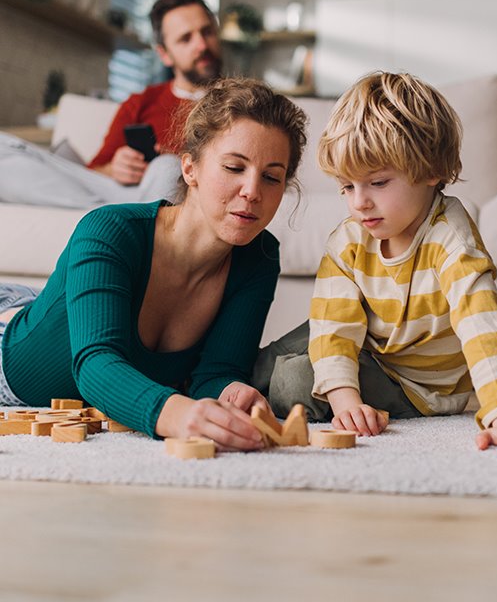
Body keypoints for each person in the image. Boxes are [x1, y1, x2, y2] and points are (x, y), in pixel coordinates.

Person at [253, 72, 497, 453]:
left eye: (378, 183)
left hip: (418, 388)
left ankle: (262, 384)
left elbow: (482, 327)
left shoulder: (451, 240)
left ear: (431, 170)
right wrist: (346, 397)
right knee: (299, 339)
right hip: (373, 344)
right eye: (347, 187)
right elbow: (335, 324)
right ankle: (229, 382)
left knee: (295, 378)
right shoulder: (350, 238)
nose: (359, 203)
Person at [0, 78, 308, 449]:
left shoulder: (259, 257)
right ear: (190, 168)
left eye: (272, 177)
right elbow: (95, 364)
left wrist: (233, 393)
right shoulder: (110, 229)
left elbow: (216, 372)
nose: (252, 191)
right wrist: (178, 414)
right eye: (233, 167)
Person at [0, 0, 223, 208]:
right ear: (164, 54)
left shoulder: (242, 103)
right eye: (186, 39)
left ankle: (120, 221)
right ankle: (116, 219)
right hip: (126, 197)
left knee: (167, 168)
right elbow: (93, 173)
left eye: (207, 32)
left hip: (184, 201)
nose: (201, 45)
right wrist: (115, 169)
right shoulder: (141, 102)